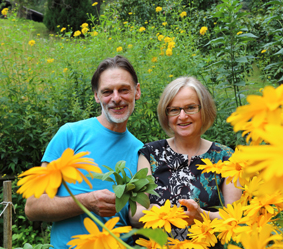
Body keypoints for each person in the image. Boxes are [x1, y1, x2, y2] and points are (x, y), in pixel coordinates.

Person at [25, 55, 143, 249]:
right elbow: (33, 207)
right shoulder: (70, 135)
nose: (116, 98)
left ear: (136, 91)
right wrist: (87, 202)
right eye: (107, 92)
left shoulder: (142, 152)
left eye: (123, 90)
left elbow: (137, 217)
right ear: (96, 96)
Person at [130, 76, 242, 245]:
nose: (182, 116)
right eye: (174, 110)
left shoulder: (226, 157)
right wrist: (152, 213)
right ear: (166, 114)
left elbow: (236, 218)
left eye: (190, 108)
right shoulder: (150, 154)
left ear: (204, 110)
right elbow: (134, 215)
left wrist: (202, 216)